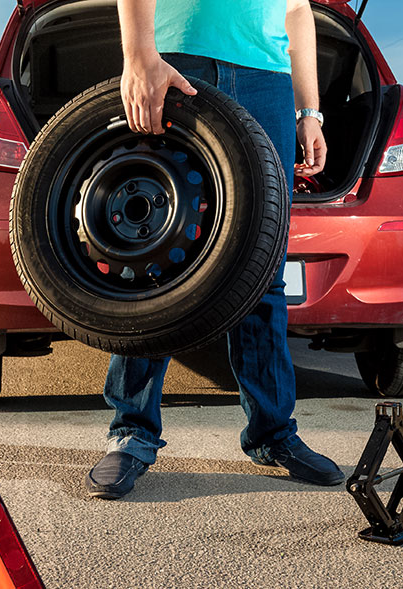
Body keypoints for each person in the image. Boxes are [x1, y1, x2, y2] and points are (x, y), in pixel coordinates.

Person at [85, 0, 342, 499]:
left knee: (262, 265)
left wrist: (309, 112)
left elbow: (296, 11)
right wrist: (139, 56)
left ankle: (273, 436)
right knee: (153, 257)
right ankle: (132, 432)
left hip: (267, 80)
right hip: (178, 60)